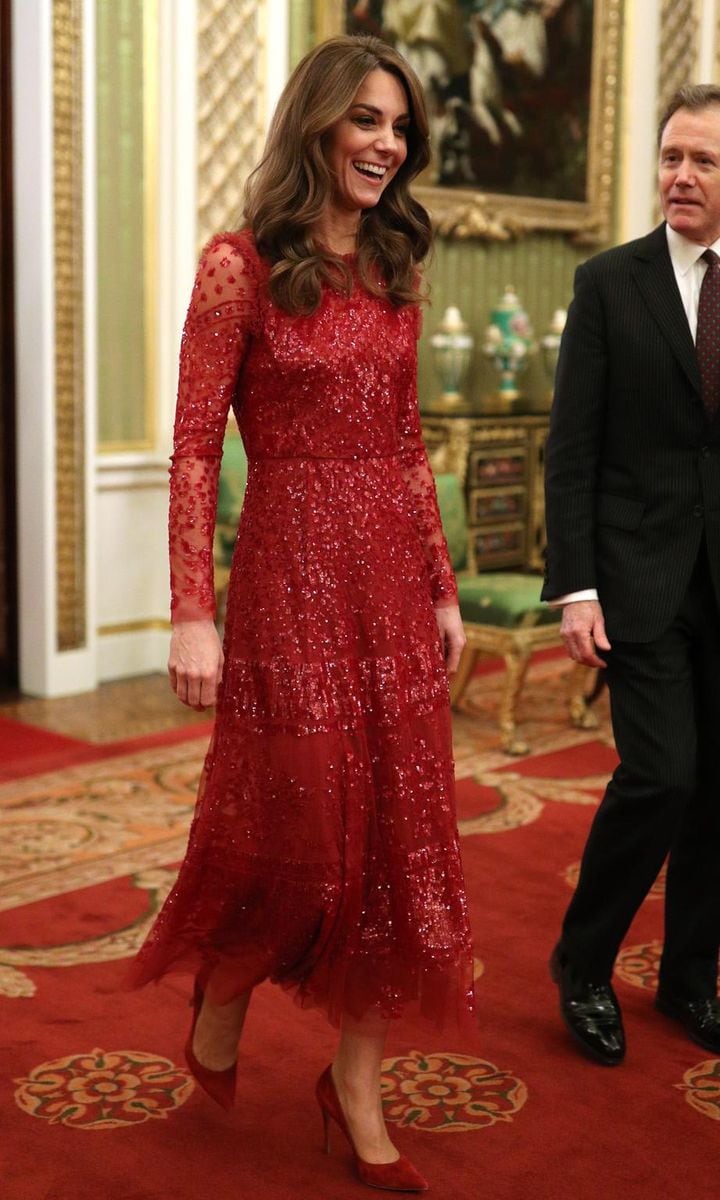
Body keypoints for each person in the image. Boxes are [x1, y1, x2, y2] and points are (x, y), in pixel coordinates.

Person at [127, 33, 476, 1192]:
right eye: (367, 120)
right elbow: (189, 448)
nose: (389, 143)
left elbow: (407, 440)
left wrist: (439, 585)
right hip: (284, 578)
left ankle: (357, 1082)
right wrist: (191, 611)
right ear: (318, 124)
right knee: (295, 824)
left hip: (386, 578)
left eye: (401, 126)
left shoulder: (395, 264)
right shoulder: (239, 264)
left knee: (396, 835)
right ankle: (222, 985)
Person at [543, 83, 720, 1067]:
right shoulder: (610, 283)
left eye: (702, 160)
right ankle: (583, 962)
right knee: (662, 774)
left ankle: (691, 978)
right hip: (639, 579)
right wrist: (577, 585)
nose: (681, 175)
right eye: (671, 156)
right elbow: (571, 449)